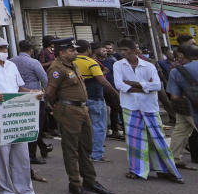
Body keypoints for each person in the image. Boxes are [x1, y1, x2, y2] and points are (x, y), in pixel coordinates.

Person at [45, 38, 116, 194]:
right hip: (69, 111)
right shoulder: (56, 68)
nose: (75, 52)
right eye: (71, 50)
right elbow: (50, 93)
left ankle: (90, 181)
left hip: (82, 109)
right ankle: (75, 184)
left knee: (86, 147)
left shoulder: (73, 64)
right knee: (71, 149)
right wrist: (58, 108)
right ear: (62, 52)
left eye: (75, 50)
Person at [0, 36, 44, 194]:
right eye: (1, 48)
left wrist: (32, 92)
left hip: (17, 115)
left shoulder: (12, 65)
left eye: (6, 48)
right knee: (1, 156)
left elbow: (19, 88)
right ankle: (5, 192)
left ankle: (26, 191)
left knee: (22, 156)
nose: (4, 51)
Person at [113, 38, 183, 183]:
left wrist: (133, 84)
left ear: (134, 50)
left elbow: (157, 86)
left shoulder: (148, 65)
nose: (122, 53)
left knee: (158, 138)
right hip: (130, 107)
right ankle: (137, 170)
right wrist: (145, 87)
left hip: (150, 107)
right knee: (134, 141)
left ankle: (165, 169)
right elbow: (119, 85)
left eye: (125, 50)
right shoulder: (118, 65)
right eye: (121, 50)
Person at [74, 40, 120, 163]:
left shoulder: (71, 62)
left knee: (84, 128)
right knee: (99, 127)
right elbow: (102, 81)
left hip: (79, 99)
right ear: (88, 49)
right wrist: (116, 93)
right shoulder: (91, 62)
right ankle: (96, 154)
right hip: (95, 98)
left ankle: (83, 152)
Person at [9, 39, 51, 164]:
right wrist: (48, 96)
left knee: (22, 126)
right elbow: (45, 80)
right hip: (34, 98)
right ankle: (32, 155)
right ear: (31, 50)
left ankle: (40, 148)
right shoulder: (34, 62)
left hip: (17, 98)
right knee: (35, 127)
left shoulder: (10, 62)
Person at [167, 44, 198, 170]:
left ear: (181, 55)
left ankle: (173, 158)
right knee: (181, 130)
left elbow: (174, 96)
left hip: (186, 107)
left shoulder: (176, 71)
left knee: (180, 130)